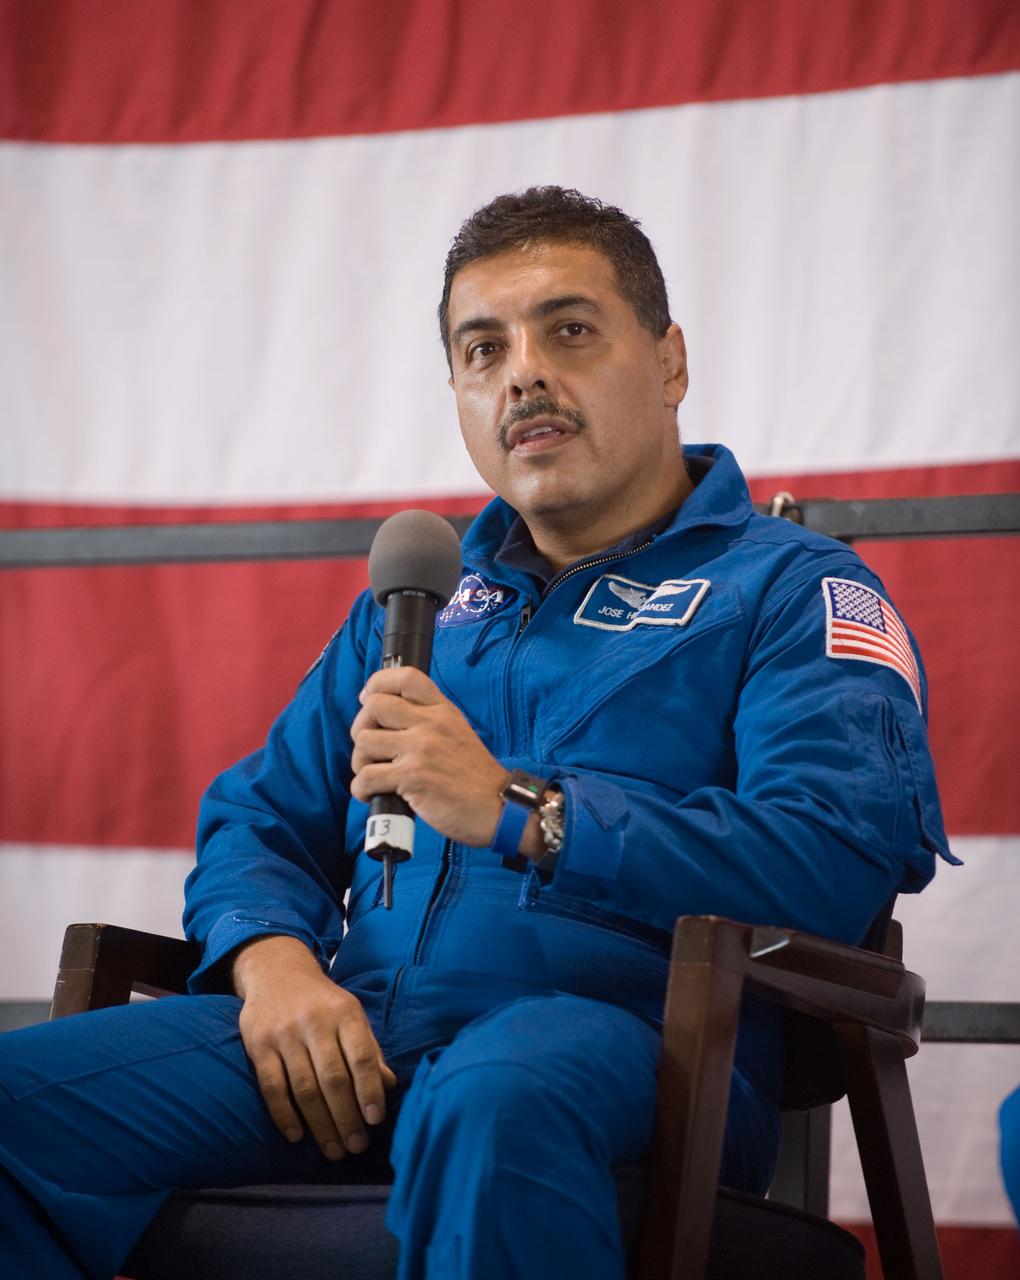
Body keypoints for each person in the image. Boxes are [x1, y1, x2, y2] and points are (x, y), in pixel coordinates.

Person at [0, 186, 956, 1279]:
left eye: (570, 329)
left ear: (671, 360)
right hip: (361, 1041)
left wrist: (529, 813)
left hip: (634, 1052)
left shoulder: (793, 590)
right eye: (482, 347)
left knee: (492, 1097)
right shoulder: (418, 600)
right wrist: (270, 960)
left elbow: (830, 857)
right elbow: (258, 818)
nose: (523, 373)